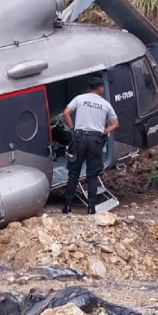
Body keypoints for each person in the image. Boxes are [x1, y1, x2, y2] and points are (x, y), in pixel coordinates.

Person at [61, 76, 119, 215]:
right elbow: (116, 124)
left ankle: (67, 206)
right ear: (100, 88)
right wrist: (105, 131)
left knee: (74, 173)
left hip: (79, 138)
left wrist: (73, 128)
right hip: (95, 140)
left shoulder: (80, 99)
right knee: (92, 175)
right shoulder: (105, 104)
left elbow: (66, 113)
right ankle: (91, 208)